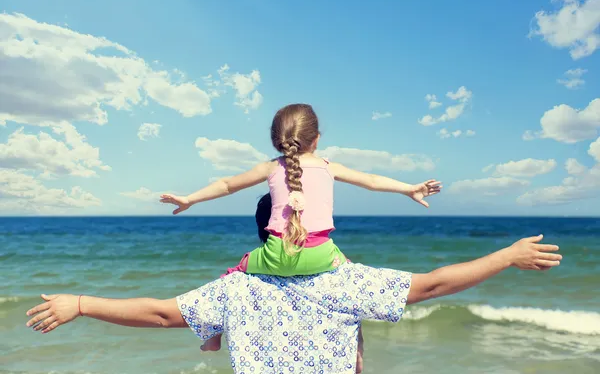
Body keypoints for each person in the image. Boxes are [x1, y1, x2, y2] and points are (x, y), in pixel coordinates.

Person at [25, 234, 561, 374]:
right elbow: (432, 286)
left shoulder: (234, 287)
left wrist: (82, 302)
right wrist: (507, 256)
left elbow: (164, 314)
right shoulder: (344, 281)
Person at [158, 103, 441, 357]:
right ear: (316, 139)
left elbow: (226, 184)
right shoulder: (329, 167)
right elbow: (372, 180)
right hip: (321, 257)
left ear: (276, 141)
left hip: (274, 258)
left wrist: (189, 199)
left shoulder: (270, 167)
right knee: (349, 275)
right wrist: (410, 189)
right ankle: (355, 352)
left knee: (231, 278)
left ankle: (213, 339)